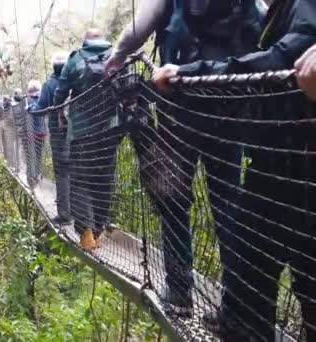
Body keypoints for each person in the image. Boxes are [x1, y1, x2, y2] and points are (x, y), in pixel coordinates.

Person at [153, 0, 316, 339]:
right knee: (246, 273)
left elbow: (279, 60)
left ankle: (190, 296)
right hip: (266, 164)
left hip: (299, 174)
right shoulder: (270, 13)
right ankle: (234, 317)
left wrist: (190, 74)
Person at [104, 0, 265, 316]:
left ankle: (179, 294)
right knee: (229, 205)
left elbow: (137, 30)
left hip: (178, 107)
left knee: (174, 200)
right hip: (228, 105)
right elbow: (262, 22)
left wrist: (117, 58)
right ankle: (237, 307)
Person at [54, 28, 121, 250]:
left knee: (81, 181)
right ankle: (99, 230)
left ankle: (86, 234)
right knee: (104, 180)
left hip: (82, 134)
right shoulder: (117, 55)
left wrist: (60, 114)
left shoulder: (75, 59)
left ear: (85, 42)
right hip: (111, 131)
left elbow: (60, 92)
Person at [34, 52, 71, 223]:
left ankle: (65, 215)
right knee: (78, 172)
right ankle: (82, 215)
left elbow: (40, 107)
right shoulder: (75, 81)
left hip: (58, 135)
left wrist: (31, 108)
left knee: (62, 172)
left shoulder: (49, 85)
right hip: (79, 132)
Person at [25, 80, 46, 188]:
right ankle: (36, 176)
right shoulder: (42, 100)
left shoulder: (27, 101)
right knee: (38, 156)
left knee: (30, 156)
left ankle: (31, 178)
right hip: (41, 133)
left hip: (31, 133)